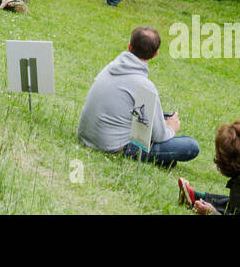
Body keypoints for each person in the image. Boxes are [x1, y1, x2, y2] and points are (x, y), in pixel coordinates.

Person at [76, 26, 200, 167]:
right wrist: (171, 128)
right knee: (190, 146)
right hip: (114, 146)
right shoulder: (144, 85)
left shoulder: (110, 67)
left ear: (129, 46)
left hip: (86, 136)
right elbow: (159, 136)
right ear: (155, 54)